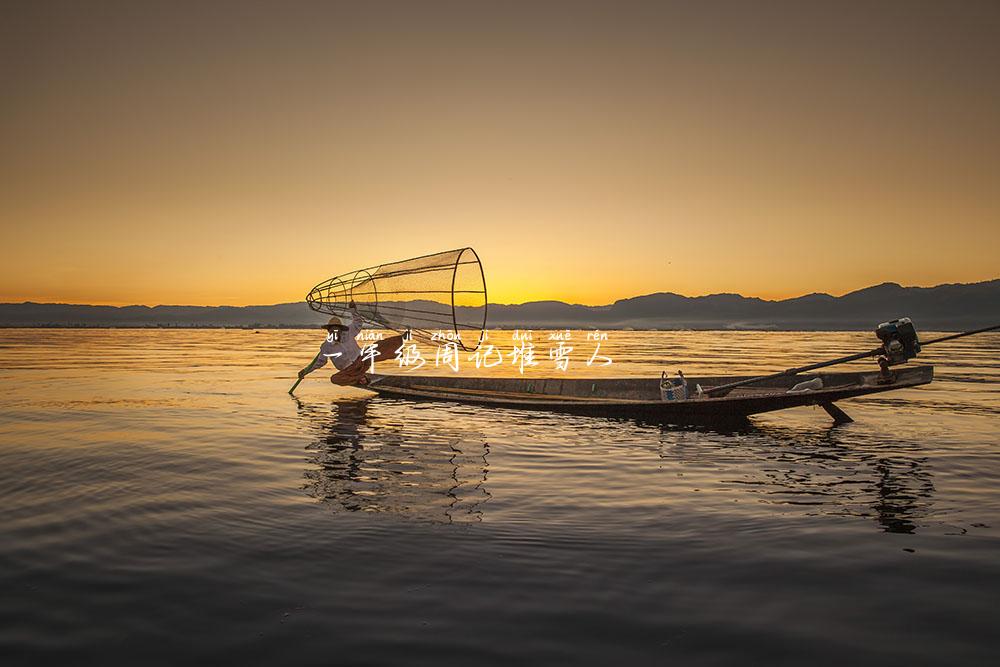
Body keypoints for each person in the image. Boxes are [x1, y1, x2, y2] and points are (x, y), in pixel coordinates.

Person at [298, 301, 404, 386]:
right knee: (335, 379)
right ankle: (361, 378)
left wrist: (353, 310)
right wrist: (305, 371)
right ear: (328, 331)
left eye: (336, 330)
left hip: (361, 360)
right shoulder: (326, 347)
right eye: (332, 330)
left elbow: (358, 322)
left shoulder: (348, 332)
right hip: (349, 371)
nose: (334, 332)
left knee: (376, 347)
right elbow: (319, 362)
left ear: (340, 330)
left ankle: (399, 345)